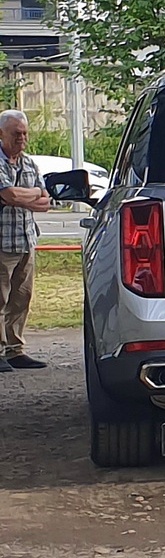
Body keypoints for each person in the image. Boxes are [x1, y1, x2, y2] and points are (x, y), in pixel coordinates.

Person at [0, 108, 49, 372]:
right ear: (1, 134)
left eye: (25, 134)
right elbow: (10, 196)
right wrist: (29, 196)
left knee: (21, 298)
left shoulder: (29, 163)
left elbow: (45, 201)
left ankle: (15, 349)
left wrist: (22, 196)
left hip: (26, 240)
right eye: (16, 134)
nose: (22, 139)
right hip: (1, 242)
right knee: (0, 299)